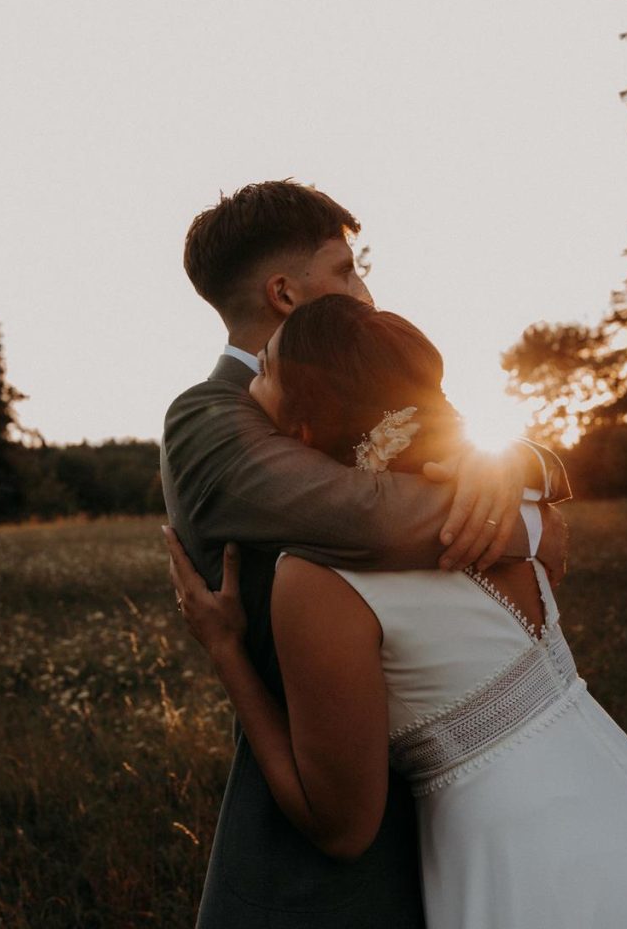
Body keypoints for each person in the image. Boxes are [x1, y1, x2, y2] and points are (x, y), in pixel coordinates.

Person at [165, 293, 627, 929]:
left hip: (507, 865)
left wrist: (226, 648)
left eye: (263, 373)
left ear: (299, 431)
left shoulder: (316, 579)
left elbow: (341, 828)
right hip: (621, 806)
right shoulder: (503, 512)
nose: (249, 386)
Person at [160, 180, 570, 928]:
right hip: (312, 870)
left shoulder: (361, 384)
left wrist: (522, 466)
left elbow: (463, 444)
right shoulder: (206, 418)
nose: (366, 290)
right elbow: (372, 518)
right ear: (285, 293)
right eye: (346, 270)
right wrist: (527, 519)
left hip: (453, 812)